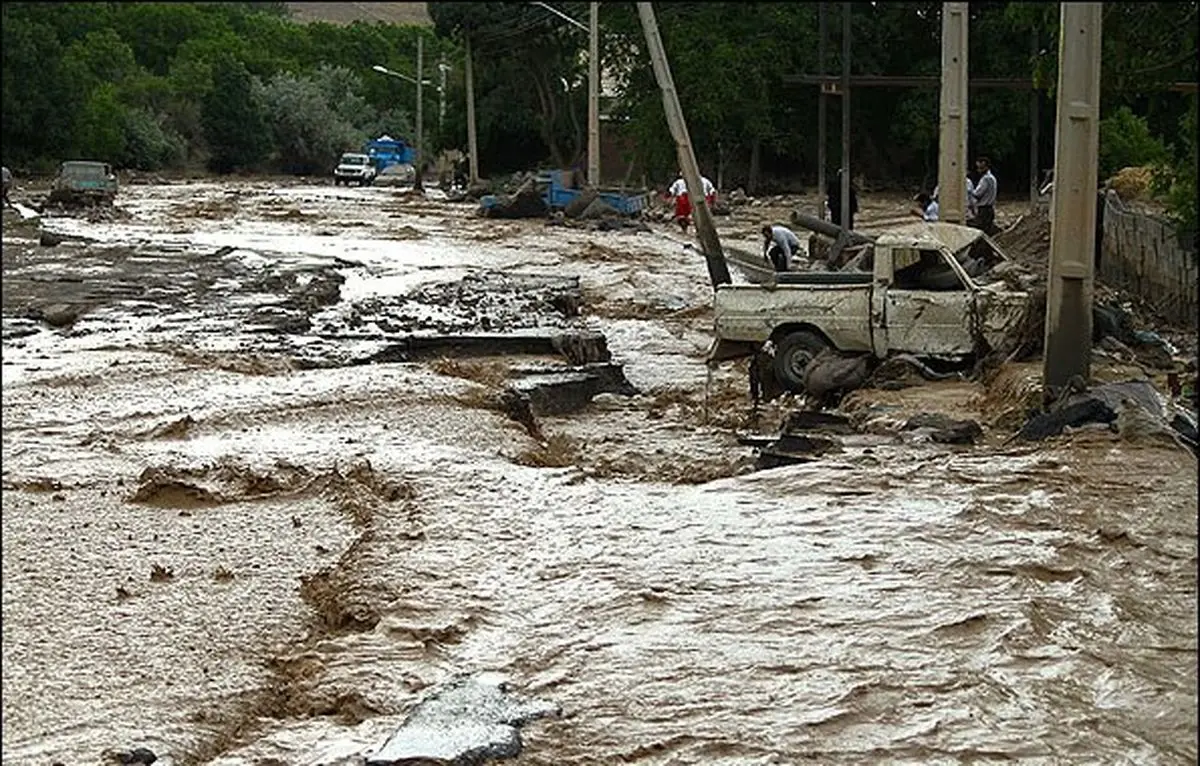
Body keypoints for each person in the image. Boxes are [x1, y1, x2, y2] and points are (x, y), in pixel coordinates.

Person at [969, 156, 997, 234]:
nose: (978, 170)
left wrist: (969, 190)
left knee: (980, 231)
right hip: (990, 209)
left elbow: (977, 193)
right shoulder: (992, 178)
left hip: (984, 210)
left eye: (980, 167)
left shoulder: (986, 179)